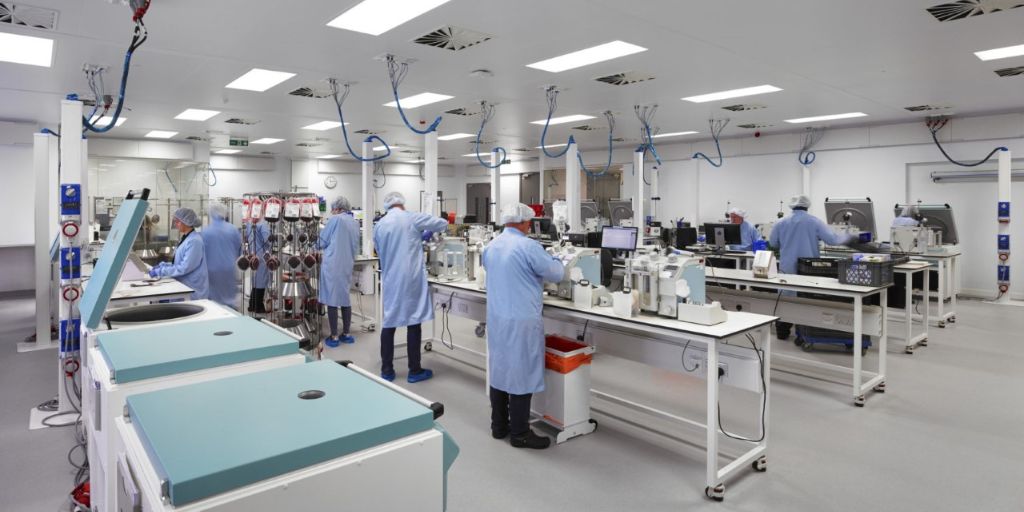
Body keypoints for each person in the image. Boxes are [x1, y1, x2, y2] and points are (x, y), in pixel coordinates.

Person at [483, 203, 565, 449]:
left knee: (500, 370)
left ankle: (499, 426)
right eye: (529, 222)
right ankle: (520, 433)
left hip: (498, 318)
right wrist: (557, 258)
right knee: (521, 373)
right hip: (521, 320)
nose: (530, 226)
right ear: (523, 222)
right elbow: (556, 274)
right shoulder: (528, 246)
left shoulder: (491, 246)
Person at [373, 191, 449, 383]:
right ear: (402, 204)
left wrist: (417, 238)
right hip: (411, 278)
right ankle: (414, 370)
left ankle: (387, 370)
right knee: (413, 321)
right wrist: (424, 233)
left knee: (389, 322)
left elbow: (380, 250)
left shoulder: (380, 224)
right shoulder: (412, 217)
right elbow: (442, 223)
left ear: (387, 206)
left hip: (391, 278)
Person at [769, 195, 852, 340]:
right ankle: (805, 332)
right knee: (807, 298)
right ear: (807, 206)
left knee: (785, 298)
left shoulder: (780, 222)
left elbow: (773, 243)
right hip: (808, 269)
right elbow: (832, 240)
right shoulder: (815, 222)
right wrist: (850, 236)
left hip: (786, 267)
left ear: (792, 206)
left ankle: (782, 331)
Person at [318, 196, 360, 348]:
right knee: (345, 298)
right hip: (347, 264)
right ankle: (346, 334)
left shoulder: (335, 220)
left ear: (337, 208)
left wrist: (314, 244)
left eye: (333, 209)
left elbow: (322, 241)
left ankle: (334, 336)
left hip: (333, 264)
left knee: (332, 299)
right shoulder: (354, 222)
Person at [149, 207, 209, 300]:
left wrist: (161, 271)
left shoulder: (194, 241)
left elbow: (184, 267)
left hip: (192, 290)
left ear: (186, 222)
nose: (175, 224)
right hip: (184, 286)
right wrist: (165, 265)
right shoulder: (186, 237)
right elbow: (180, 262)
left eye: (177, 221)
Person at [203, 203, 241, 308]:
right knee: (230, 298)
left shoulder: (206, 231)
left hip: (211, 269)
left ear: (211, 214)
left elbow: (202, 253)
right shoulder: (233, 229)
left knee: (214, 301)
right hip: (229, 268)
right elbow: (238, 248)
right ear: (224, 213)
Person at [246, 218, 271, 313]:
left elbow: (247, 238)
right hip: (262, 257)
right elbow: (267, 240)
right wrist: (275, 239)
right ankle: (259, 306)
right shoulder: (263, 224)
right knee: (261, 281)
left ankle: (252, 304)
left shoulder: (249, 224)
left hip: (253, 256)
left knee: (255, 281)